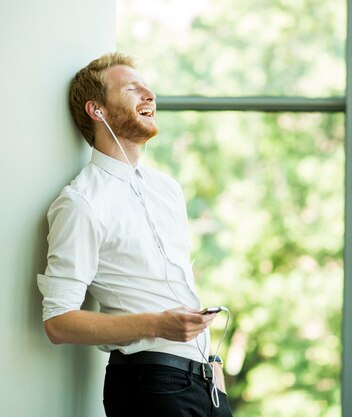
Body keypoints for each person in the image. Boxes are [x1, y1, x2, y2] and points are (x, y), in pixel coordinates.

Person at [37, 52, 233, 417]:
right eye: (133, 89)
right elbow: (58, 322)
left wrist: (213, 365)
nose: (149, 95)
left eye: (148, 87)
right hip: (150, 386)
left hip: (205, 383)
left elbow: (174, 285)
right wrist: (158, 324)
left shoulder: (167, 189)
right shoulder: (81, 202)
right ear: (98, 111)